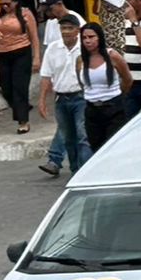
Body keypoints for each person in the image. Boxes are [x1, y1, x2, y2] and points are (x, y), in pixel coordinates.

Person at [36, 12, 89, 174]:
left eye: (69, 28)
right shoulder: (53, 49)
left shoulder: (85, 48)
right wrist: (42, 100)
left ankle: (85, 169)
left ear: (77, 30)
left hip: (81, 98)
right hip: (61, 99)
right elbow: (46, 75)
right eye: (63, 28)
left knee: (82, 136)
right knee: (68, 138)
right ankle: (75, 169)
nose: (66, 31)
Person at [0, 0, 40, 135]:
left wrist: (36, 57)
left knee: (19, 87)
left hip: (21, 53)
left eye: (8, 4)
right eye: (2, 3)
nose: (5, 6)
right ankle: (21, 108)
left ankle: (23, 121)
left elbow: (34, 37)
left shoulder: (25, 13)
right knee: (6, 89)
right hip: (3, 55)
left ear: (16, 2)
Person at [78, 21, 133, 150]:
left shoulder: (112, 56)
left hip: (113, 108)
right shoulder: (80, 60)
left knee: (112, 147)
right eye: (84, 38)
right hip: (92, 110)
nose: (87, 41)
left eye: (91, 37)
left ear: (99, 37)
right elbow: (82, 84)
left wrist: (118, 95)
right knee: (96, 148)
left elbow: (127, 79)